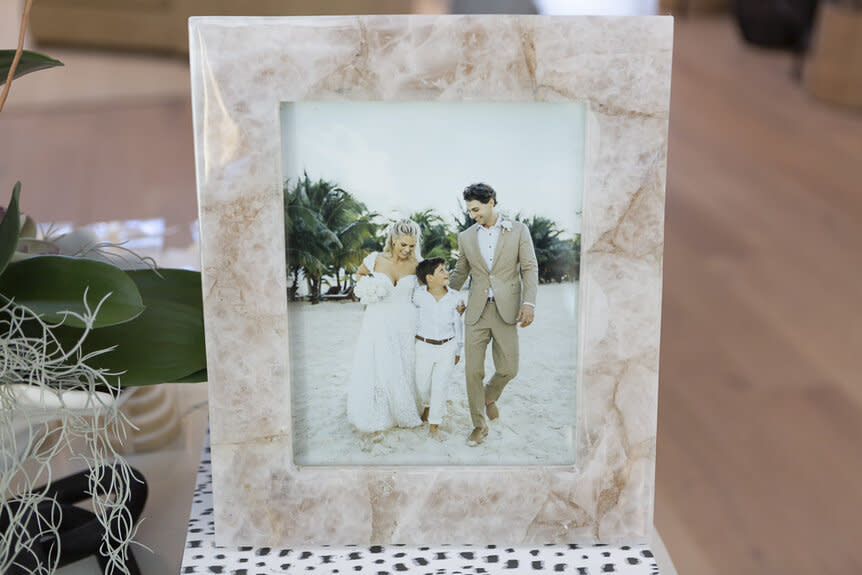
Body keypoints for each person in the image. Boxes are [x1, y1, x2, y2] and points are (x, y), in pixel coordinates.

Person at [449, 183, 539, 445]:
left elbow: (530, 268)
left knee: (509, 368)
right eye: (469, 210)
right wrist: (443, 297)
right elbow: (460, 272)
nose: (472, 215)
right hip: (475, 312)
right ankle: (479, 424)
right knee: (472, 371)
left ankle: (489, 396)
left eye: (475, 209)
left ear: (490, 202)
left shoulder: (519, 230)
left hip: (507, 310)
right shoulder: (466, 237)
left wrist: (529, 303)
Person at [346, 219, 424, 436]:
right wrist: (366, 288)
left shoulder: (418, 263)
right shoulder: (374, 259)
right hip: (378, 320)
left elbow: (427, 291)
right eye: (403, 245)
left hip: (407, 321)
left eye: (412, 245)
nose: (407, 250)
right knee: (378, 364)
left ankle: (405, 407)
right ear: (393, 240)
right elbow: (360, 275)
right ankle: (378, 410)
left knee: (404, 363)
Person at [412, 257, 464, 440]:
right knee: (421, 384)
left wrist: (458, 350)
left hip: (447, 346)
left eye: (445, 269)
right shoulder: (417, 295)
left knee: (440, 386)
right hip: (423, 346)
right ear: (429, 278)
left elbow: (458, 325)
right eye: (441, 270)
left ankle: (434, 426)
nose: (446, 273)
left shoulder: (455, 297)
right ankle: (427, 405)